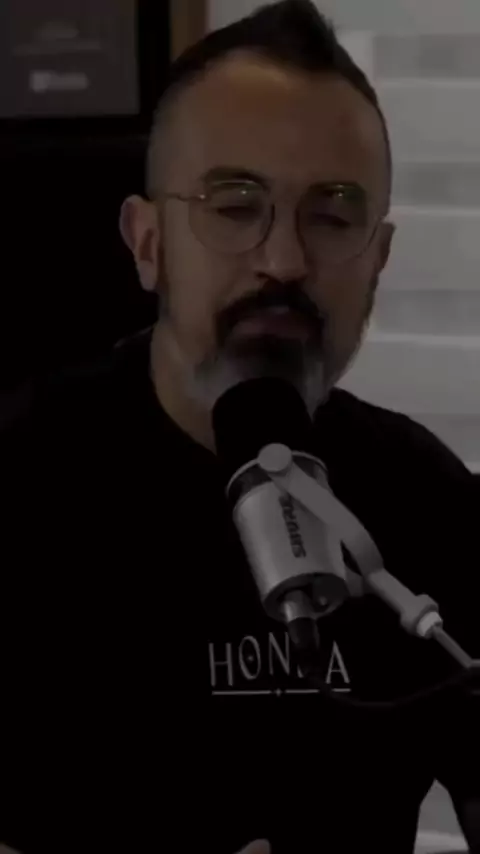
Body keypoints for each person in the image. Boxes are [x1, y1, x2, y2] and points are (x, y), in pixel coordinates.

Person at [1, 2, 478, 853]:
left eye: (332, 215)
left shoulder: (428, 495)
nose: (284, 260)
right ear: (148, 244)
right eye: (233, 205)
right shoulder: (18, 477)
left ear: (377, 263)